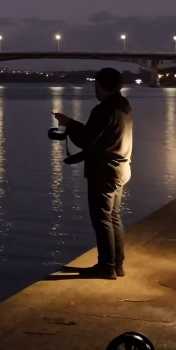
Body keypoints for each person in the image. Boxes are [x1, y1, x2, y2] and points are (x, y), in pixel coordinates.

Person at [53, 67, 133, 279]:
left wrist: (69, 124)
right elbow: (100, 139)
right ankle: (117, 264)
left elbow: (87, 139)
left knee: (102, 219)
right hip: (121, 168)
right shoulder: (124, 106)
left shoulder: (103, 110)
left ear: (99, 85)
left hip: (104, 171)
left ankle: (106, 266)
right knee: (114, 217)